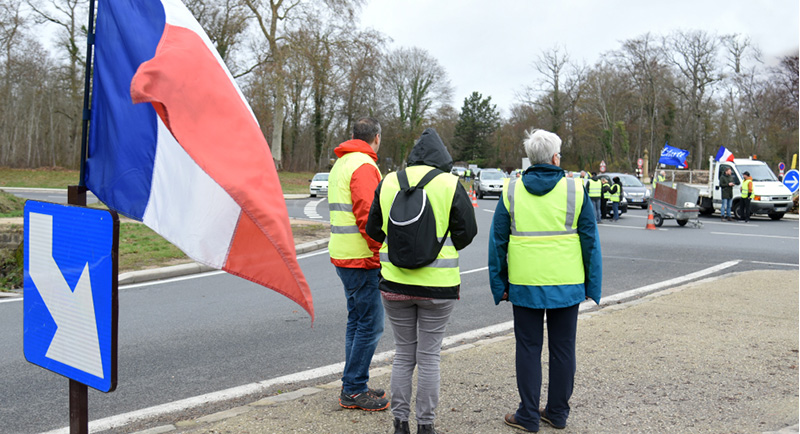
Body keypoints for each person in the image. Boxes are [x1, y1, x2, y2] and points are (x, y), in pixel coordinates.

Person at [488, 128, 601, 433]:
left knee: (528, 348)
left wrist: (499, 284)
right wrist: (594, 285)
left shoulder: (511, 190)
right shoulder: (576, 189)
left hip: (525, 284)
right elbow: (590, 241)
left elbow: (497, 241)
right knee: (563, 349)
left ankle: (528, 415)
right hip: (567, 284)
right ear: (555, 157)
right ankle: (557, 413)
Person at [366, 128, 478, 434]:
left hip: (395, 285)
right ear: (442, 158)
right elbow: (468, 232)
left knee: (404, 354)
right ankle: (425, 426)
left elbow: (373, 230)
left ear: (413, 156)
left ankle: (400, 423)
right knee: (429, 357)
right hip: (438, 287)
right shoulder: (450, 184)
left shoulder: (389, 182)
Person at [328, 117, 388, 411]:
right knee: (371, 325)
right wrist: (380, 252)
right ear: (376, 138)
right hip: (362, 257)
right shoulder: (364, 165)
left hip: (343, 253)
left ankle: (355, 383)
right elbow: (369, 215)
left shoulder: (342, 163)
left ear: (353, 135)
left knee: (357, 321)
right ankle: (353, 389)